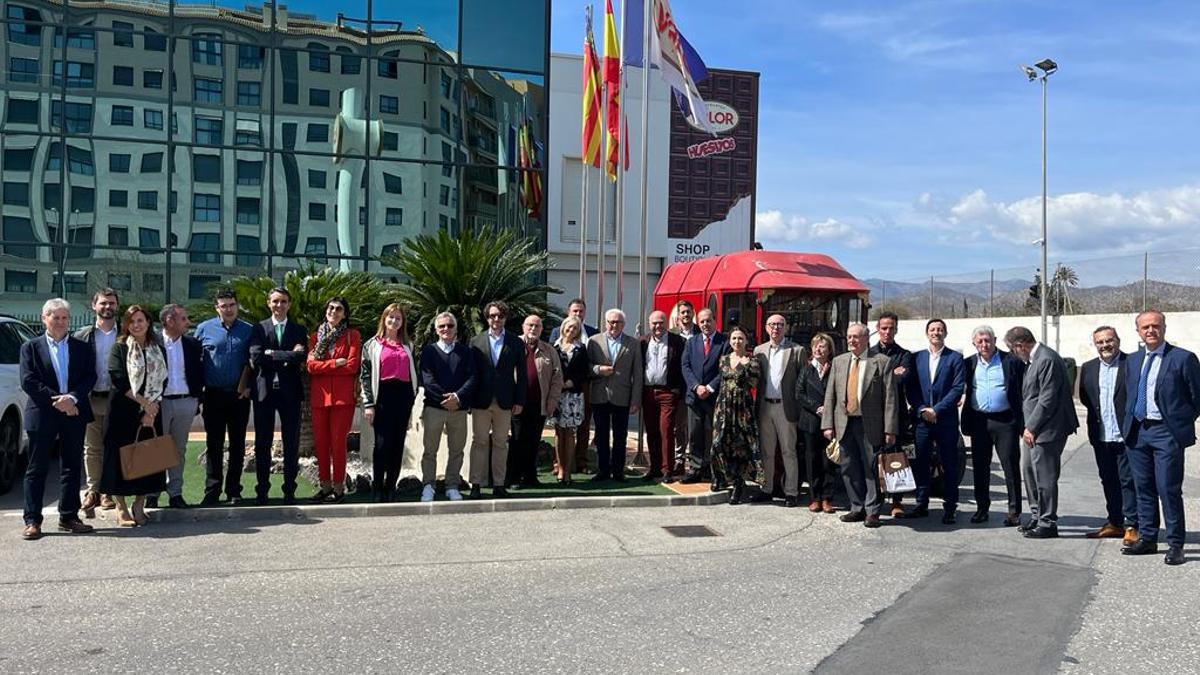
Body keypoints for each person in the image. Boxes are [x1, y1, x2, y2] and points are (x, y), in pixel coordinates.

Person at [1119, 311, 1200, 565]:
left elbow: (1196, 397)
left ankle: (1176, 544)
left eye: (1155, 326)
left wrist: (1179, 423)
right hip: (1138, 432)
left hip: (1166, 433)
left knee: (1168, 488)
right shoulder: (1132, 361)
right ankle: (1148, 538)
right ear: (1138, 332)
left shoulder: (1183, 358)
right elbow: (1125, 395)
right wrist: (1127, 425)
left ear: (1164, 327)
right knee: (1143, 488)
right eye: (1145, 327)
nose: (1150, 330)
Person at [19, 298, 96, 540]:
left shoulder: (81, 347)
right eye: (55, 317)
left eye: (64, 318)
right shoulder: (30, 347)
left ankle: (69, 517)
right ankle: (32, 520)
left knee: (72, 467)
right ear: (45, 319)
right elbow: (28, 381)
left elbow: (89, 377)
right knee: (37, 468)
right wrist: (59, 401)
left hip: (74, 412)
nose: (61, 322)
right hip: (42, 414)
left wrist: (72, 399)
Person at [1003, 326, 1078, 539]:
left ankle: (1047, 521)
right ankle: (1036, 515)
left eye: (1012, 349)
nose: (1013, 354)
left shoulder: (1046, 360)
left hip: (1046, 429)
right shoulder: (1033, 360)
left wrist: (1032, 427)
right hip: (1032, 429)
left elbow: (1047, 398)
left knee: (1045, 476)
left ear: (1021, 345)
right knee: (1028, 470)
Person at [822, 323, 898, 528]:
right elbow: (831, 396)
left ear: (866, 339)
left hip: (870, 425)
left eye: (856, 337)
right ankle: (856, 507)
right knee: (848, 467)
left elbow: (890, 398)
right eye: (849, 337)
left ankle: (872, 511)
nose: (851, 341)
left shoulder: (881, 362)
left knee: (871, 467)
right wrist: (827, 424)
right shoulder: (839, 362)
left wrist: (890, 429)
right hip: (844, 423)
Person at [101, 305, 168, 527]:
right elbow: (119, 379)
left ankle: (139, 505)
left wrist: (152, 409)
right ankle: (120, 507)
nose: (136, 325)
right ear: (126, 325)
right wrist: (144, 404)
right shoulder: (119, 348)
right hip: (123, 411)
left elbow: (163, 380)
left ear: (148, 323)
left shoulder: (158, 348)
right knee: (119, 459)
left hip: (151, 412)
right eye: (132, 321)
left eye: (140, 320)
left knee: (148, 460)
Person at [900, 319, 965, 524]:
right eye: (932, 329)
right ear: (927, 333)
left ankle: (950, 506)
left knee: (949, 463)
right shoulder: (916, 357)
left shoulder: (955, 358)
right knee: (921, 462)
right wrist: (921, 409)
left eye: (939, 330)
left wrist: (937, 410)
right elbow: (911, 388)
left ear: (945, 333)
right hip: (922, 421)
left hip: (945, 420)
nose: (936, 333)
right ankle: (921, 504)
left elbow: (957, 388)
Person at [960, 325, 1025, 526]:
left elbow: (1025, 389)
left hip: (1005, 421)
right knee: (980, 467)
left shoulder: (1011, 361)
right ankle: (982, 509)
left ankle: (1014, 511)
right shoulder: (968, 364)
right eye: (979, 341)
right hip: (979, 421)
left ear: (995, 340)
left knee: (1010, 466)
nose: (984, 345)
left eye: (987, 340)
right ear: (974, 343)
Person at [249, 287, 308, 505]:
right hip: (264, 393)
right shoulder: (259, 329)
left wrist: (272, 353)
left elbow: (301, 356)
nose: (279, 305)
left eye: (283, 301)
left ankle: (289, 491)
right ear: (268, 303)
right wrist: (286, 355)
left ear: (289, 304)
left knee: (291, 442)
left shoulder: (298, 330)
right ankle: (262, 491)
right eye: (275, 301)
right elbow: (256, 356)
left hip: (290, 393)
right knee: (262, 443)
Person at [1079, 326, 1138, 543]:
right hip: (1101, 437)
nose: (1105, 345)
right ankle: (1115, 522)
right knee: (1108, 480)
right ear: (1095, 345)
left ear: (1118, 340)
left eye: (1109, 340)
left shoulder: (1132, 363)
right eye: (1100, 342)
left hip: (1126, 436)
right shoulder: (1088, 368)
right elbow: (1086, 398)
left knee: (1128, 481)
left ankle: (1133, 524)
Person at [194, 290, 253, 505]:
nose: (228, 309)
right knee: (214, 444)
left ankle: (234, 490)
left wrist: (250, 388)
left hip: (239, 396)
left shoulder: (248, 331)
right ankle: (212, 491)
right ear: (216, 308)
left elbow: (255, 363)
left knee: (238, 444)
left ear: (237, 306)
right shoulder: (203, 329)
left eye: (232, 305)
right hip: (213, 395)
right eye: (223, 306)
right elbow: (195, 362)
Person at [360, 303, 419, 502]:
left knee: (397, 444)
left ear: (403, 322)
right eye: (391, 317)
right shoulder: (372, 345)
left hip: (403, 397)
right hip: (382, 396)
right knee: (382, 444)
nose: (394, 321)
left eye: (398, 318)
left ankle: (391, 487)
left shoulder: (408, 345)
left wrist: (413, 398)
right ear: (384, 319)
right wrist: (369, 404)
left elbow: (414, 374)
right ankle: (377, 488)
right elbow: (365, 376)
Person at [469, 300, 527, 499]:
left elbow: (522, 374)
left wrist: (519, 400)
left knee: (501, 443)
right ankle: (476, 484)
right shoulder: (475, 341)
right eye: (492, 316)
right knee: (479, 442)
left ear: (505, 318)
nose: (496, 319)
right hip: (480, 401)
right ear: (487, 318)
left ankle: (499, 484)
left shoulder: (515, 342)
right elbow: (472, 374)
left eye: (500, 316)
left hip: (505, 400)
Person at [306, 296, 361, 503]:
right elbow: (311, 367)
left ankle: (338, 488)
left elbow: (352, 366)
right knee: (320, 443)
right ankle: (324, 486)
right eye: (331, 308)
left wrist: (325, 366)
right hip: (319, 398)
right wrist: (335, 363)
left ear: (344, 314)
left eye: (339, 309)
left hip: (342, 399)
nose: (334, 312)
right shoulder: (315, 337)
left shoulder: (352, 336)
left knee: (338, 443)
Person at [150, 304, 205, 509]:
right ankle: (152, 493)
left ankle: (175, 493)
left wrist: (197, 399)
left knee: (178, 450)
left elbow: (199, 372)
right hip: (159, 403)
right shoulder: (152, 342)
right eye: (183, 318)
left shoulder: (192, 344)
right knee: (156, 449)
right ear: (169, 321)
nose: (187, 322)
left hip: (185, 402)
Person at [419, 312, 476, 501]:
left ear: (456, 329)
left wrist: (457, 397)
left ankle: (452, 486)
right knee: (430, 450)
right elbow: (427, 380)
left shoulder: (465, 352)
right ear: (436, 330)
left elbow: (472, 378)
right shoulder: (428, 351)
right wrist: (446, 399)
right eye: (442, 326)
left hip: (458, 410)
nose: (446, 329)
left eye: (450, 326)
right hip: (434, 408)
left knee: (457, 451)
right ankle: (428, 485)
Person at [75, 288, 119, 517]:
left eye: (111, 303)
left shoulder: (125, 334)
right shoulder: (82, 335)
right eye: (103, 303)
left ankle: (108, 492)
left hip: (118, 399)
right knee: (91, 448)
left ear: (117, 306)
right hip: (90, 398)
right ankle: (93, 490)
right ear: (94, 306)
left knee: (113, 446)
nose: (107, 307)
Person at [753, 314, 805, 506]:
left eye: (780, 325)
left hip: (786, 408)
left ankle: (791, 492)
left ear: (785, 328)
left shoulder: (797, 351)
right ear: (767, 328)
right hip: (765, 406)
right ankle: (766, 489)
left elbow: (801, 382)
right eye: (773, 324)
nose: (776, 328)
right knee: (767, 451)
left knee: (788, 451)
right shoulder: (759, 351)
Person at [587, 308, 643, 482]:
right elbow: (586, 366)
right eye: (611, 321)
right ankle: (603, 470)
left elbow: (638, 373)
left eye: (617, 322)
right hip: (600, 394)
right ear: (606, 322)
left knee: (621, 436)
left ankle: (618, 471)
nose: (614, 325)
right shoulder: (593, 341)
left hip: (622, 396)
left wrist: (635, 400)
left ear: (623, 324)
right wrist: (598, 369)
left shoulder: (632, 343)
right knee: (601, 436)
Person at [510, 315, 563, 488]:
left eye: (537, 326)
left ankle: (530, 477)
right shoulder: (511, 345)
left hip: (538, 403)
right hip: (516, 403)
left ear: (541, 329)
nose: (533, 328)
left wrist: (552, 401)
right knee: (517, 440)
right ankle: (514, 477)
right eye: (530, 325)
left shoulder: (549, 350)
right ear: (523, 327)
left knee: (533, 441)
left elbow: (557, 377)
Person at [869, 312, 913, 518]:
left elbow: (903, 379)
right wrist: (891, 374)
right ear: (878, 329)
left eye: (891, 328)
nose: (887, 331)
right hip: (873, 414)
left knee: (896, 457)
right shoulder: (868, 354)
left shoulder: (904, 354)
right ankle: (875, 501)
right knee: (874, 458)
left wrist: (885, 376)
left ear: (896, 330)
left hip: (897, 413)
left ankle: (897, 501)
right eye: (884, 328)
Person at [712, 327, 762, 505]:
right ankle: (720, 477)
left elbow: (753, 383)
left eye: (740, 338)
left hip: (742, 409)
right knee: (718, 443)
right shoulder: (724, 359)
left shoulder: (753, 361)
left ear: (746, 341)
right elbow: (722, 380)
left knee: (739, 448)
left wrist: (743, 365)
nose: (737, 342)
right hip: (724, 407)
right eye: (733, 338)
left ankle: (738, 484)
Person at [679, 308, 727, 485]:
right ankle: (695, 468)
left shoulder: (724, 342)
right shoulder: (692, 342)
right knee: (694, 433)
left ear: (715, 321)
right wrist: (696, 386)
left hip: (714, 397)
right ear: (698, 324)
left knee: (713, 435)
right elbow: (685, 366)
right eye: (702, 322)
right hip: (694, 397)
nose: (705, 324)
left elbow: (725, 369)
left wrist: (709, 387)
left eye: (708, 321)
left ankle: (713, 470)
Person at [550, 298, 597, 475]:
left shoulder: (592, 332)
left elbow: (590, 362)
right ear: (568, 313)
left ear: (585, 313)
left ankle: (581, 462)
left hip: (582, 386)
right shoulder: (556, 333)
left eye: (581, 311)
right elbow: (551, 361)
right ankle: (558, 464)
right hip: (558, 387)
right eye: (574, 311)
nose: (578, 314)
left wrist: (574, 381)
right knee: (559, 427)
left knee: (583, 425)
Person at [640, 310, 685, 482]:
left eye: (660, 322)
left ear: (666, 323)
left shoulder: (678, 341)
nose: (657, 326)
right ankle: (655, 468)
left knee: (666, 430)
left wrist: (678, 389)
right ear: (649, 324)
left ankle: (668, 469)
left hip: (668, 392)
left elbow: (683, 366)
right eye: (654, 323)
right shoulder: (642, 342)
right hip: (648, 392)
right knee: (651, 431)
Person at [797, 333, 838, 513]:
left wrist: (828, 409)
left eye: (822, 346)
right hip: (810, 421)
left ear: (829, 350)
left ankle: (827, 498)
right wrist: (816, 407)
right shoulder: (806, 370)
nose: (818, 349)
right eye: (815, 346)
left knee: (829, 460)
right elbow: (799, 394)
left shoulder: (835, 369)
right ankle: (814, 498)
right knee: (812, 460)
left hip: (831, 421)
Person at [670, 300, 698, 477]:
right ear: (678, 315)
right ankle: (679, 460)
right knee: (679, 426)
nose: (686, 315)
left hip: (697, 386)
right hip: (679, 387)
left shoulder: (700, 331)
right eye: (683, 312)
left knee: (696, 426)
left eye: (688, 312)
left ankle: (696, 461)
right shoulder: (671, 334)